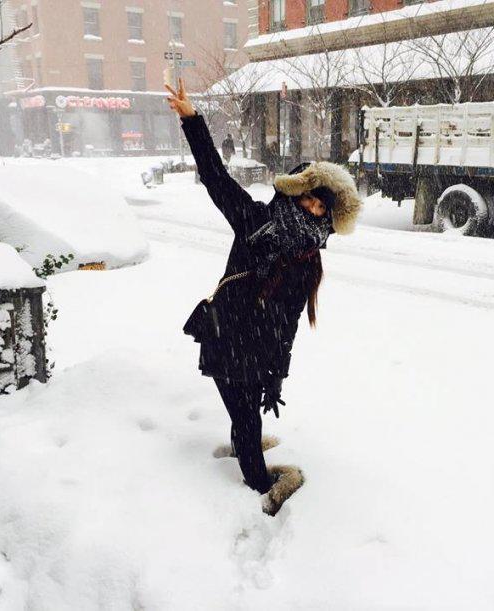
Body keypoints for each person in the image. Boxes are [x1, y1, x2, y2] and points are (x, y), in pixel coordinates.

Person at [166, 78, 362, 515]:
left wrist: (278, 375)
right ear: (297, 192)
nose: (313, 211)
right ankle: (258, 490)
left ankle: (245, 451)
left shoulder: (309, 258)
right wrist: (192, 121)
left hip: (259, 351)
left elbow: (289, 322)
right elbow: (216, 179)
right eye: (310, 200)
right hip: (224, 337)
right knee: (245, 416)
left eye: (322, 209)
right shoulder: (255, 222)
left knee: (246, 412)